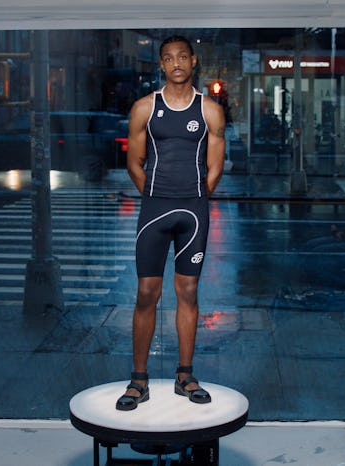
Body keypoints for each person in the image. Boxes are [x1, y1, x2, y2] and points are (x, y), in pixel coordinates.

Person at [115, 35, 226, 411]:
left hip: (192, 213)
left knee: (189, 293)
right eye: (168, 58)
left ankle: (185, 376)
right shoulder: (144, 108)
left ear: (192, 61)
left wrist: (195, 196)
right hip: (154, 212)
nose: (175, 62)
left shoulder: (209, 111)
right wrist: (155, 194)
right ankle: (139, 380)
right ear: (161, 65)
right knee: (146, 293)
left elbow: (215, 166)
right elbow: (133, 161)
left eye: (182, 56)